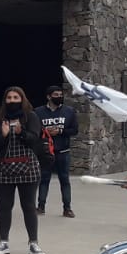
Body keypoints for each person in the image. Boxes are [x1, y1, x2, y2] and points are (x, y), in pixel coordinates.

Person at [0, 86, 46, 254]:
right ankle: (3, 242)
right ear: (5, 100)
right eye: (9, 98)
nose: (12, 101)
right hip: (4, 167)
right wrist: (4, 135)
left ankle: (34, 243)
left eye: (16, 97)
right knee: (5, 206)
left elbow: (34, 139)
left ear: (22, 99)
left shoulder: (31, 116)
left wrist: (22, 133)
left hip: (27, 167)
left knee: (28, 206)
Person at [36, 84, 79, 218]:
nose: (59, 97)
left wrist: (60, 131)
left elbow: (74, 130)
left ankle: (67, 208)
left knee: (65, 180)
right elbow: (33, 130)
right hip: (46, 152)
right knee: (44, 179)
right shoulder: (38, 112)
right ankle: (41, 206)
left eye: (61, 95)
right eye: (56, 95)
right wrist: (45, 131)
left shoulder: (69, 111)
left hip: (63, 151)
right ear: (48, 97)